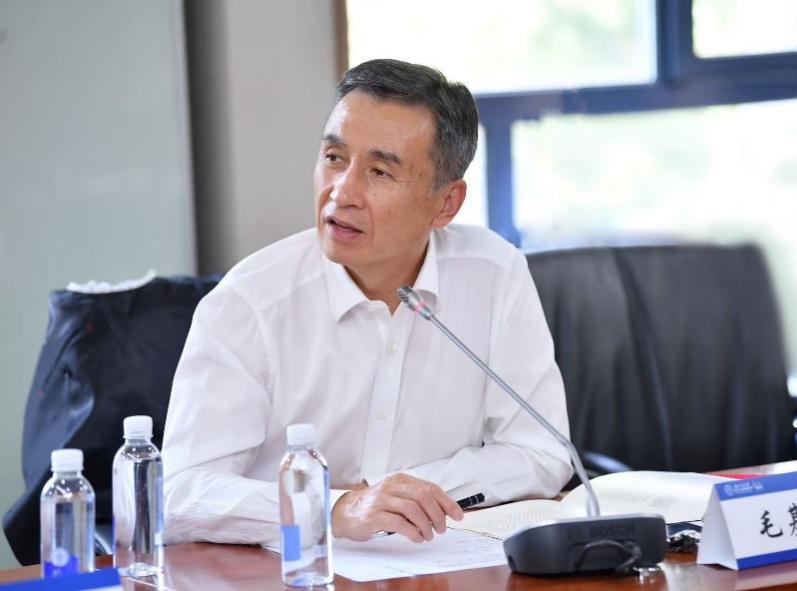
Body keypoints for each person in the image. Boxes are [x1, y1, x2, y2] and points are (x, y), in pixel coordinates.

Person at [161, 59, 572, 546]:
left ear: (446, 203)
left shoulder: (495, 275)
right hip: (284, 566)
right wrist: (333, 506)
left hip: (428, 562)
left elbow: (542, 451)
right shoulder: (249, 303)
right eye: (334, 158)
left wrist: (400, 496)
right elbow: (181, 494)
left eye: (379, 172)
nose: (342, 192)